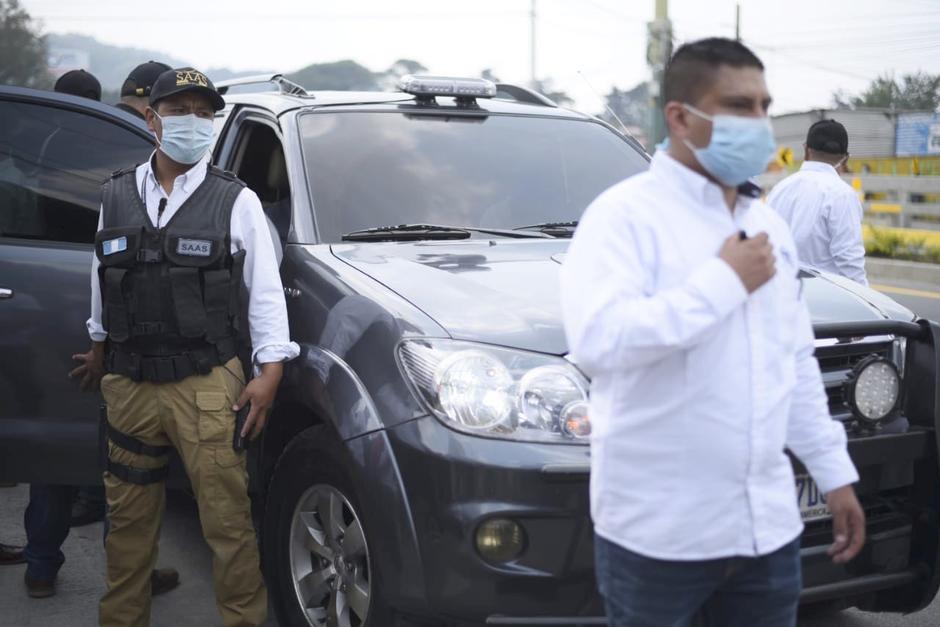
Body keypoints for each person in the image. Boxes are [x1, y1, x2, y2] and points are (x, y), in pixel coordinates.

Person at [560, 38, 865, 627]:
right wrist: (722, 282)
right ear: (681, 117)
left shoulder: (768, 224)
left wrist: (834, 473)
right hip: (657, 539)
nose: (759, 123)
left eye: (763, 105)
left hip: (766, 533)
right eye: (739, 106)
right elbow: (602, 342)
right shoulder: (622, 218)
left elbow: (795, 361)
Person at [69, 67, 298, 627]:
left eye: (204, 112)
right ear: (152, 118)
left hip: (205, 385)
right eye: (179, 111)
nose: (192, 122)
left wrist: (270, 372)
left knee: (226, 524)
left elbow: (264, 292)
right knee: (127, 526)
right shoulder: (117, 193)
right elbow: (102, 276)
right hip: (129, 385)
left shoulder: (235, 200)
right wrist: (98, 345)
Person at [69, 60, 175, 530]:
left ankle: (43, 558)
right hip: (115, 315)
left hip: (51, 288)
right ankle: (117, 536)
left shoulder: (75, 133)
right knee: (127, 450)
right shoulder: (134, 147)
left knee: (85, 425)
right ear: (153, 108)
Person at [767, 119, 868, 285]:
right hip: (824, 297)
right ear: (845, 158)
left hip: (780, 289)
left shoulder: (779, 189)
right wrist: (867, 302)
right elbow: (850, 260)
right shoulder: (842, 195)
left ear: (806, 149)